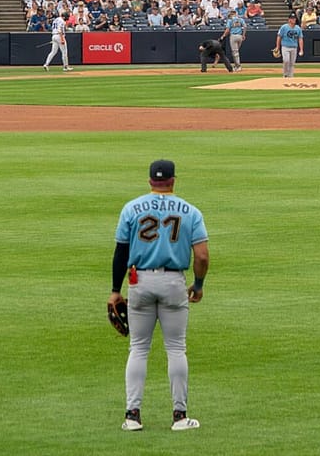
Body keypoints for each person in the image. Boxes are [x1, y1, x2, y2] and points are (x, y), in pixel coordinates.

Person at [110, 159, 209, 433]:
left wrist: (115, 290)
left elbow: (120, 253)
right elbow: (201, 255)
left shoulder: (131, 208)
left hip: (139, 281)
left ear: (150, 181)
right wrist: (198, 285)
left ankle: (132, 416)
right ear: (173, 180)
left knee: (138, 348)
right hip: (174, 281)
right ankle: (179, 417)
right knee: (176, 348)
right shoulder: (190, 211)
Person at [277, 13, 303, 79]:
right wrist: (277, 47)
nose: (293, 20)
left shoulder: (298, 28)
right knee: (286, 60)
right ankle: (285, 75)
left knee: (292, 63)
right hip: (285, 46)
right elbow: (279, 37)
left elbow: (300, 38)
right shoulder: (284, 27)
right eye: (292, 18)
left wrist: (301, 49)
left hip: (294, 47)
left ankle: (291, 76)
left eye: (294, 18)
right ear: (289, 20)